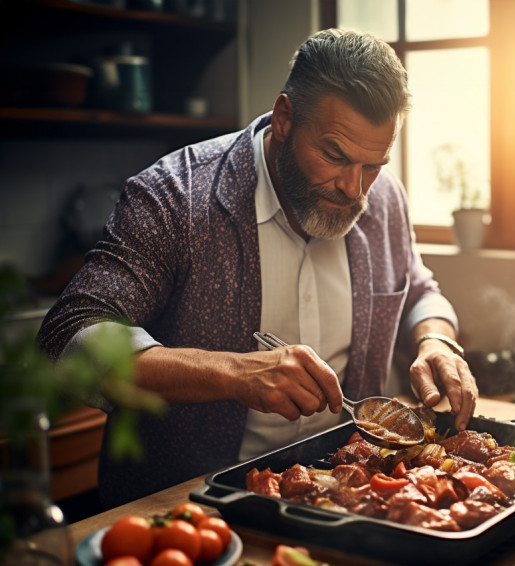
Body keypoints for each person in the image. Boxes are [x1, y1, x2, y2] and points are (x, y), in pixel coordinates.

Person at [37, 28, 478, 508]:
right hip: (190, 511)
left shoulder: (384, 197)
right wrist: (232, 372)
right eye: (334, 155)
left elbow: (417, 289)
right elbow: (69, 335)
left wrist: (435, 337)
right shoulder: (174, 195)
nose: (355, 189)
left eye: (373, 165)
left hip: (341, 501)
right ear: (285, 118)